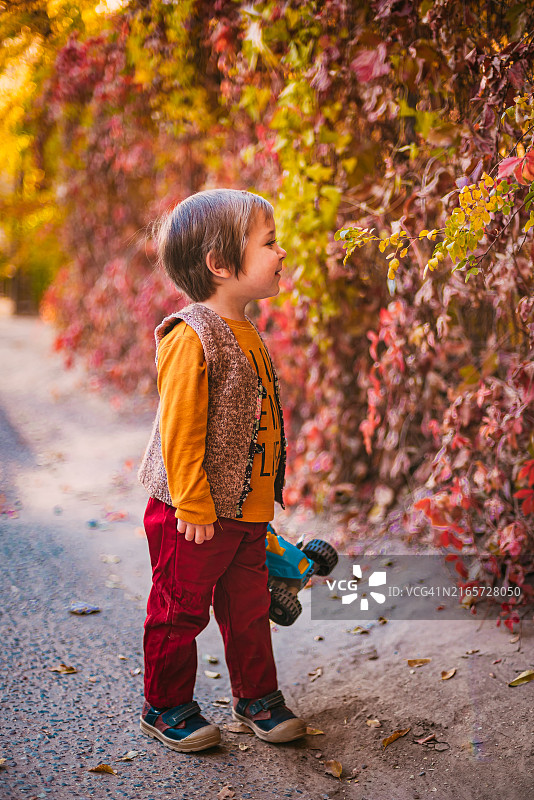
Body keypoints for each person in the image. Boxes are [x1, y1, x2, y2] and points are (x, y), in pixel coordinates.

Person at [137, 188, 307, 753]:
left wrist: (264, 502)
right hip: (192, 512)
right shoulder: (192, 335)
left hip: (242, 511)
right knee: (179, 609)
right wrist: (193, 504)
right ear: (220, 263)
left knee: (250, 609)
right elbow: (179, 431)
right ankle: (166, 705)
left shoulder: (248, 330)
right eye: (269, 243)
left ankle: (256, 696)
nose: (281, 253)